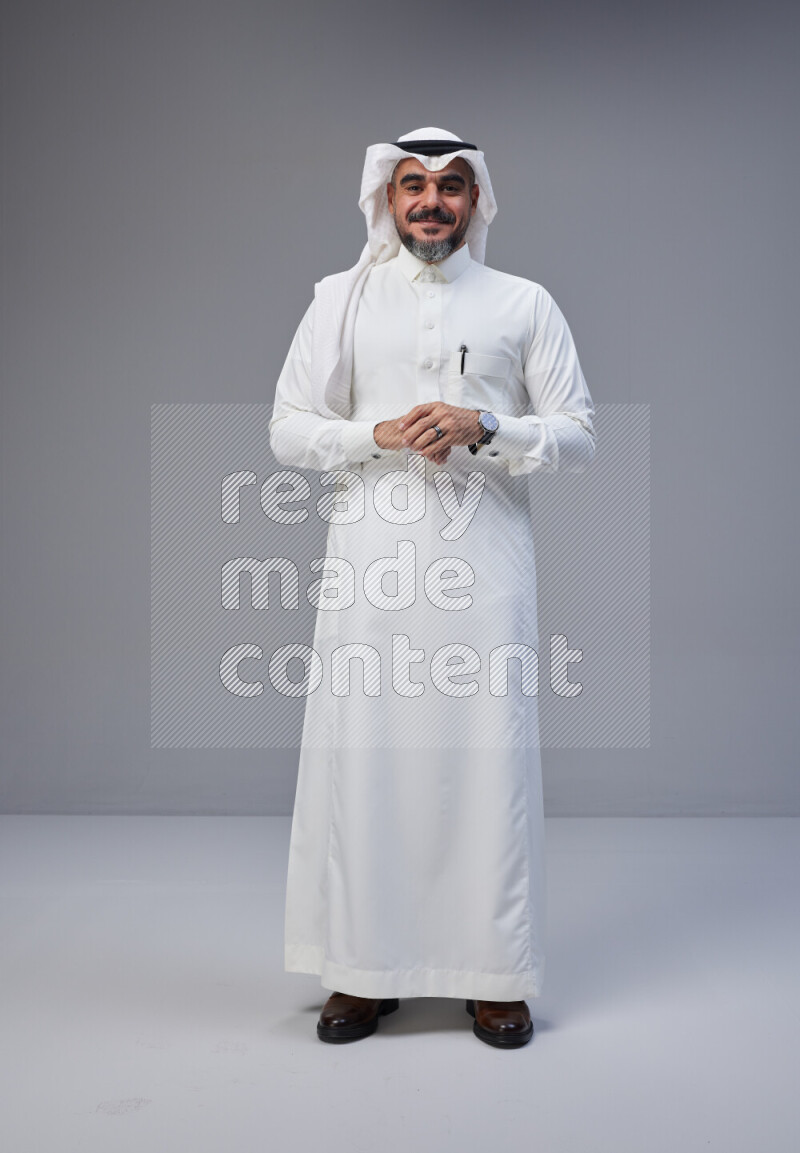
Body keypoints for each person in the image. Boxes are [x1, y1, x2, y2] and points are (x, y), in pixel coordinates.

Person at [269, 126, 595, 1048]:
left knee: (485, 759)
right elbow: (288, 429)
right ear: (385, 196)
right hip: (369, 560)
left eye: (451, 187)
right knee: (365, 757)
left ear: (477, 201)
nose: (431, 203)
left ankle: (493, 975)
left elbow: (578, 433)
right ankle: (362, 974)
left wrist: (486, 423)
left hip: (485, 569)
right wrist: (373, 435)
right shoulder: (339, 301)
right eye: (413, 185)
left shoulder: (523, 303)